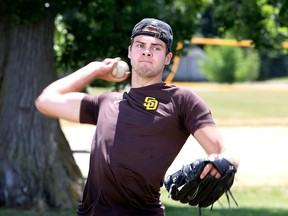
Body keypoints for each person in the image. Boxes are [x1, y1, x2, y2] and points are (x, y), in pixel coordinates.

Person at [35, 18, 239, 216]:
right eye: (140, 45)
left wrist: (224, 162)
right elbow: (46, 100)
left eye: (157, 47)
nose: (147, 51)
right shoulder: (105, 102)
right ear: (130, 52)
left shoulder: (181, 101)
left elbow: (224, 151)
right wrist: (95, 69)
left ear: (167, 58)